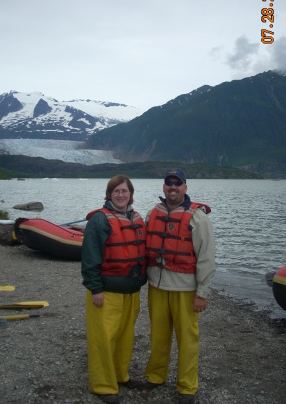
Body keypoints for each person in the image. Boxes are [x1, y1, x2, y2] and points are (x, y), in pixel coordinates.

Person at [141, 168, 215, 404]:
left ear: (185, 187)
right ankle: (155, 376)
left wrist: (202, 293)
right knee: (158, 335)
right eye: (168, 183)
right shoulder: (152, 213)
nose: (172, 187)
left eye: (177, 183)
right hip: (157, 286)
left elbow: (206, 257)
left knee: (187, 339)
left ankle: (187, 387)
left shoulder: (198, 218)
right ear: (164, 186)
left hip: (186, 289)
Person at [81, 175, 147, 404]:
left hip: (131, 291)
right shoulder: (99, 220)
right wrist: (95, 289)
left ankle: (120, 375)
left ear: (131, 194)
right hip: (106, 293)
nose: (121, 195)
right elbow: (90, 258)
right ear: (109, 194)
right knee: (104, 339)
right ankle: (102, 385)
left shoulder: (136, 218)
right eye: (116, 191)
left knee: (125, 337)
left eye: (125, 191)